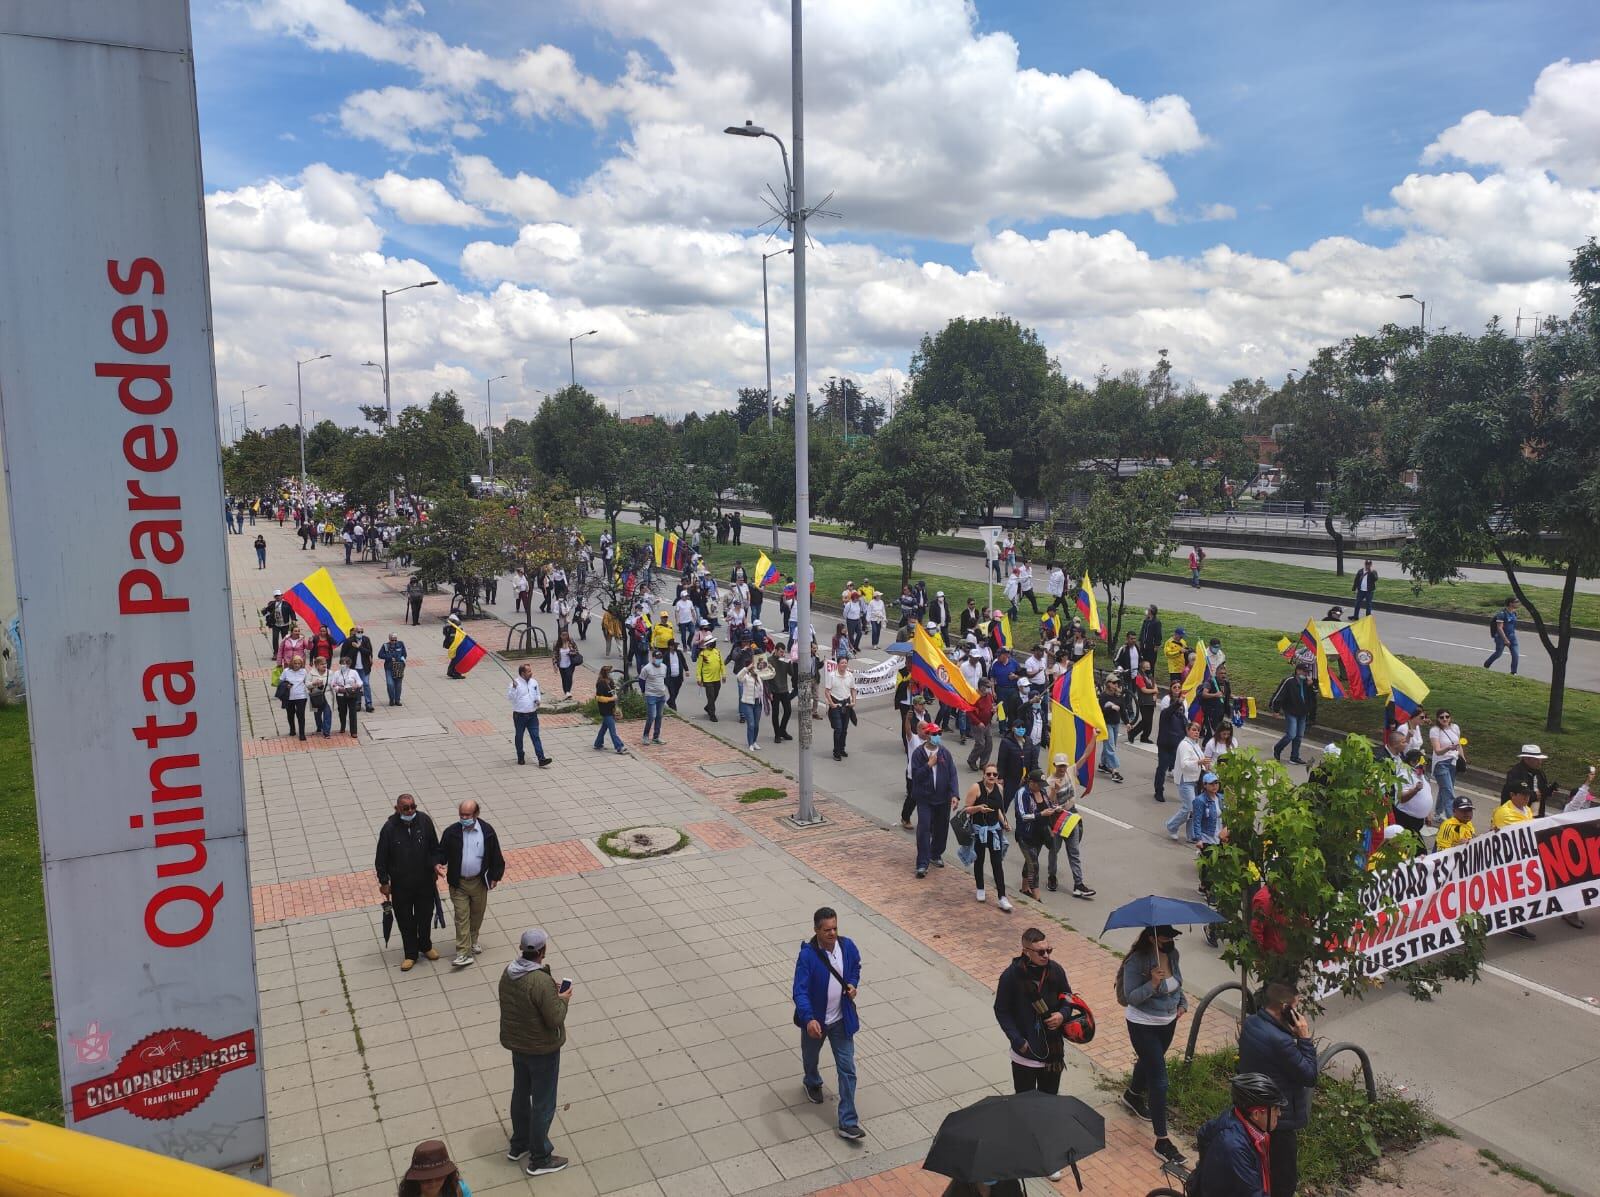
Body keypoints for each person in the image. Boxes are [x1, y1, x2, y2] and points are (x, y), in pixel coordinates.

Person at [499, 928, 572, 1177]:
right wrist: (562, 998)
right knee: (543, 1102)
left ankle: (519, 1144)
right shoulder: (539, 982)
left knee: (520, 1093)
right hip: (542, 1050)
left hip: (518, 1046)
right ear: (542, 950)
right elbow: (554, 1019)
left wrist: (549, 989)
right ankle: (540, 1157)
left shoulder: (509, 973)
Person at [791, 907, 866, 1141]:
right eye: (827, 930)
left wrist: (852, 984)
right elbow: (799, 991)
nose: (832, 933)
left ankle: (848, 1121)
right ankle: (811, 1080)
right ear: (816, 930)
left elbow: (855, 968)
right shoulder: (808, 957)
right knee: (810, 1057)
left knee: (847, 1069)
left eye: (835, 928)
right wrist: (809, 1018)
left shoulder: (848, 947)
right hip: (816, 1022)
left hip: (841, 1021)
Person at [1237, 983, 1319, 1196]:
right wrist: (1303, 1038)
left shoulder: (1252, 1023)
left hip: (1251, 1108)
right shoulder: (1281, 1041)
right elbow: (1309, 1075)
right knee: (1283, 1180)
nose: (1298, 1012)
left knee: (1259, 1171)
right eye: (1295, 1006)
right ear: (1285, 1008)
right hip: (1277, 1120)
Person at [1120, 925, 1188, 1165]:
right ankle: (1162, 1140)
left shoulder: (1173, 954)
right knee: (1159, 1080)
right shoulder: (1137, 961)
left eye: (1173, 937)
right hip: (1142, 1023)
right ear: (1152, 938)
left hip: (1168, 1022)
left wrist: (1182, 1002)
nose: (1171, 941)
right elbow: (1131, 997)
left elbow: (1178, 982)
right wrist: (1152, 982)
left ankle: (1132, 1095)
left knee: (1149, 1062)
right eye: (1166, 937)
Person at [994, 928, 1074, 1098]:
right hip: (1025, 1054)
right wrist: (1018, 1040)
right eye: (1040, 952)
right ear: (1026, 952)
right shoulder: (1011, 976)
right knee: (1025, 1105)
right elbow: (1001, 1010)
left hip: (1053, 1055)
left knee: (1049, 1102)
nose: (1046, 955)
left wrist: (1062, 1015)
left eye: (1048, 950)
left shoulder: (1056, 970)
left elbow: (1067, 997)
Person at [374, 793, 441, 971]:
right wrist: (384, 881)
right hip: (401, 885)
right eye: (406, 808)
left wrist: (436, 864)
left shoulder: (424, 821)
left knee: (425, 916)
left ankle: (425, 946)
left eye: (413, 807)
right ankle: (410, 954)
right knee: (405, 920)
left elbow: (435, 847)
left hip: (425, 882)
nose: (410, 811)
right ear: (397, 809)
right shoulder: (389, 829)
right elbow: (381, 858)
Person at [1193, 1074, 1287, 1197]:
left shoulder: (1234, 1114)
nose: (1279, 1114)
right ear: (1256, 1114)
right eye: (1275, 1109)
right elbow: (1253, 1192)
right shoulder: (1234, 1146)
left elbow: (1203, 1133)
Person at [439, 799, 504, 968]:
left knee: (477, 915)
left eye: (467, 815)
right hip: (458, 883)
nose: (463, 817)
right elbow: (441, 853)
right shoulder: (451, 832)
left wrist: (496, 876)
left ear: (476, 814)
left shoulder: (487, 831)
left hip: (479, 882)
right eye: (461, 814)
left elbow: (496, 854)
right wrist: (437, 864)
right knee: (461, 917)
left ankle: (473, 939)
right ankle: (463, 952)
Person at [960, 764, 1012, 911]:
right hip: (979, 830)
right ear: (983, 775)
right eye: (988, 774)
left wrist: (1005, 823)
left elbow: (998, 810)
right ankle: (980, 888)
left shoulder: (999, 789)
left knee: (997, 863)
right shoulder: (976, 788)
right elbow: (966, 809)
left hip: (994, 830)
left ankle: (1002, 897)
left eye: (994, 774)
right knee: (980, 859)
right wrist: (978, 808)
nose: (991, 777)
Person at [911, 721, 958, 878]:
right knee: (924, 829)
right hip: (925, 799)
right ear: (928, 735)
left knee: (941, 829)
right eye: (934, 734)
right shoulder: (919, 753)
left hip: (942, 799)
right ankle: (922, 863)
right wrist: (928, 765)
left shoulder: (945, 753)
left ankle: (935, 853)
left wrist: (954, 795)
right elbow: (916, 776)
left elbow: (952, 775)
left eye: (939, 734)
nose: (937, 736)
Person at [1046, 753, 1094, 898]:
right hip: (1056, 819)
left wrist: (1094, 736)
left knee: (1074, 851)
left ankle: (1078, 884)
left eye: (1064, 765)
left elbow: (1085, 756)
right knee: (1054, 850)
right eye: (1059, 765)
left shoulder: (1070, 772)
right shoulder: (1049, 781)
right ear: (1054, 765)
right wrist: (1055, 789)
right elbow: (1049, 802)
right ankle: (1052, 877)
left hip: (1071, 816)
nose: (1062, 768)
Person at [1269, 661, 1317, 765]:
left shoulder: (1306, 683)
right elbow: (1279, 694)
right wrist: (1275, 709)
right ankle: (1277, 748)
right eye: (1304, 672)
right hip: (1291, 711)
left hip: (1303, 712)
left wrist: (1311, 686)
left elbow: (1314, 696)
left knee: (1299, 736)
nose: (1305, 674)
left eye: (1307, 672)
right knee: (1291, 734)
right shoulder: (1289, 681)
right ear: (1298, 671)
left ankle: (1294, 756)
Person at [507, 664, 552, 767]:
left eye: (530, 671)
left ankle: (541, 758)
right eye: (529, 671)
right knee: (519, 736)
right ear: (523, 673)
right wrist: (514, 688)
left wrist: (538, 700)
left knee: (535, 736)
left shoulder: (534, 682)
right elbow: (510, 698)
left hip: (532, 715)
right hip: (520, 716)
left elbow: (537, 693)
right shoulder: (515, 683)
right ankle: (520, 756)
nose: (531, 673)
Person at [397, 1139, 473, 1197]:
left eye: (439, 1177)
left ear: (447, 1174)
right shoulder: (409, 1194)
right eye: (426, 1179)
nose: (433, 1183)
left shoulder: (460, 1190)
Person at [1503, 744, 1558, 817]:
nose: (1540, 762)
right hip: (1518, 815)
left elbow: (1541, 792)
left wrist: (1548, 791)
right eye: (1536, 759)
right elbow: (1516, 794)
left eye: (1540, 759)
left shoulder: (1540, 773)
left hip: (1537, 815)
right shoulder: (1515, 773)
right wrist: (1534, 795)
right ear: (1526, 759)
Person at [1428, 709, 1464, 820]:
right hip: (1441, 763)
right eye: (1441, 717)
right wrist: (1448, 748)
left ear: (1450, 717)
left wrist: (1463, 759)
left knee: (1445, 789)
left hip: (1453, 762)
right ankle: (1452, 819)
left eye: (1447, 716)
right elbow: (1437, 751)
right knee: (1448, 792)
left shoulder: (1455, 728)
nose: (1445, 719)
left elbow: (1459, 745)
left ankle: (1438, 813)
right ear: (1437, 719)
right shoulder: (1435, 730)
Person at [340, 625, 376, 712]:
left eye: (361, 632)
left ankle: (369, 703)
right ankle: (357, 703)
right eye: (358, 632)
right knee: (356, 686)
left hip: (364, 667)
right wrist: (343, 665)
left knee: (366, 684)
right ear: (354, 632)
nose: (360, 633)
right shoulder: (349, 641)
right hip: (354, 668)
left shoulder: (366, 640)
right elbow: (344, 654)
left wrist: (359, 647)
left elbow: (369, 652)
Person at [591, 666, 627, 754]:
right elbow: (599, 698)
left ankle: (598, 743)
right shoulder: (600, 683)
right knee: (612, 729)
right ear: (605, 673)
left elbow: (613, 692)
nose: (611, 673)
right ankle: (619, 746)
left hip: (611, 707)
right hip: (605, 709)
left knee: (604, 727)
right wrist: (611, 699)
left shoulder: (610, 681)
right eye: (610, 672)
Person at [826, 658, 856, 761]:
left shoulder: (850, 675)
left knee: (844, 729)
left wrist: (853, 701)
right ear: (837, 664)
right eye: (842, 663)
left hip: (846, 705)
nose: (844, 665)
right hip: (836, 704)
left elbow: (853, 689)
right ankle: (836, 752)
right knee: (838, 728)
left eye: (846, 663)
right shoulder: (832, 676)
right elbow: (827, 691)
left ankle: (842, 748)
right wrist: (831, 703)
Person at [638, 649, 668, 745]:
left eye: (660, 658)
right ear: (653, 658)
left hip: (661, 695)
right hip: (651, 695)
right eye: (657, 658)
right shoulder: (646, 668)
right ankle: (645, 736)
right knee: (652, 716)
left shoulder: (664, 667)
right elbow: (641, 681)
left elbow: (663, 679)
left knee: (659, 716)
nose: (659, 660)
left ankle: (656, 737)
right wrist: (644, 691)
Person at [1484, 596, 1520, 674]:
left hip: (1512, 637)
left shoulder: (1514, 613)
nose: (1518, 604)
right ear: (1511, 603)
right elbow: (1499, 628)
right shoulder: (1502, 614)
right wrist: (1505, 639)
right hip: (1501, 638)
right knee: (1498, 654)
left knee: (1516, 655)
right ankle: (1486, 665)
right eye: (1516, 602)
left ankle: (1513, 672)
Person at [330, 656, 364, 738]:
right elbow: (332, 684)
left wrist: (356, 685)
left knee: (352, 713)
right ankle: (343, 726)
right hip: (341, 694)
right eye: (341, 663)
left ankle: (354, 731)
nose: (343, 665)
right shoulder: (337, 673)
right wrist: (338, 688)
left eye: (344, 664)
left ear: (349, 664)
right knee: (342, 712)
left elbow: (360, 682)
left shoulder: (353, 672)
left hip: (351, 694)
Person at [736, 657, 764, 749]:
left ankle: (754, 741)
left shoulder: (758, 674)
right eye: (751, 665)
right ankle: (750, 743)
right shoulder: (746, 676)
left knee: (756, 724)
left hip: (757, 702)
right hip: (748, 703)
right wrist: (746, 669)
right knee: (751, 724)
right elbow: (738, 677)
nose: (753, 666)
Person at [280, 653, 310, 741]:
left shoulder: (304, 671)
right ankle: (292, 729)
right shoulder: (286, 671)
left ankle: (302, 733)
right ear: (292, 663)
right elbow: (280, 682)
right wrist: (286, 685)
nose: (297, 665)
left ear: (301, 664)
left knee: (301, 715)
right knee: (290, 714)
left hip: (301, 696)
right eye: (295, 663)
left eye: (299, 664)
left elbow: (307, 682)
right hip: (289, 697)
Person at [695, 638, 724, 721]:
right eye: (712, 642)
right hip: (707, 679)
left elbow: (721, 664)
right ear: (708, 644)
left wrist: (723, 674)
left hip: (717, 678)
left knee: (715, 695)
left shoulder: (717, 652)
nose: (714, 643)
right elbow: (699, 667)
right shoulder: (702, 654)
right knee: (711, 696)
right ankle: (712, 714)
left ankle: (708, 707)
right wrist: (699, 678)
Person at [378, 633, 408, 706]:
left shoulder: (400, 644)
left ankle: (397, 700)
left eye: (395, 640)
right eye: (392, 640)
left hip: (399, 666)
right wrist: (389, 657)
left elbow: (404, 654)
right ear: (389, 639)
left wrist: (402, 659)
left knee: (398, 685)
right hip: (389, 667)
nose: (394, 641)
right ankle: (391, 699)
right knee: (390, 684)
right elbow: (380, 655)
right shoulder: (385, 646)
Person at [553, 631, 579, 701]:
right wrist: (555, 664)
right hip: (561, 664)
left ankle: (568, 691)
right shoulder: (557, 644)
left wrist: (571, 652)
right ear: (560, 636)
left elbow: (577, 651)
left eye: (566, 635)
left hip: (570, 663)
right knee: (564, 679)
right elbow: (555, 654)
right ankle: (566, 693)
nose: (565, 636)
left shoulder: (571, 642)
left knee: (569, 676)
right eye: (563, 635)